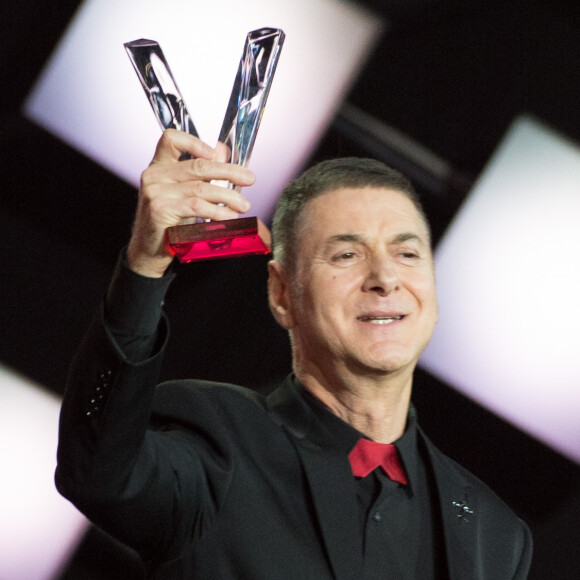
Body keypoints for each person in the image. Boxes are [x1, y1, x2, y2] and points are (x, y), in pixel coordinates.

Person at [56, 129, 532, 579]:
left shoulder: (495, 536)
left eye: (407, 255)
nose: (385, 278)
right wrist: (144, 265)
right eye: (346, 255)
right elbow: (97, 473)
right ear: (282, 294)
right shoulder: (218, 439)